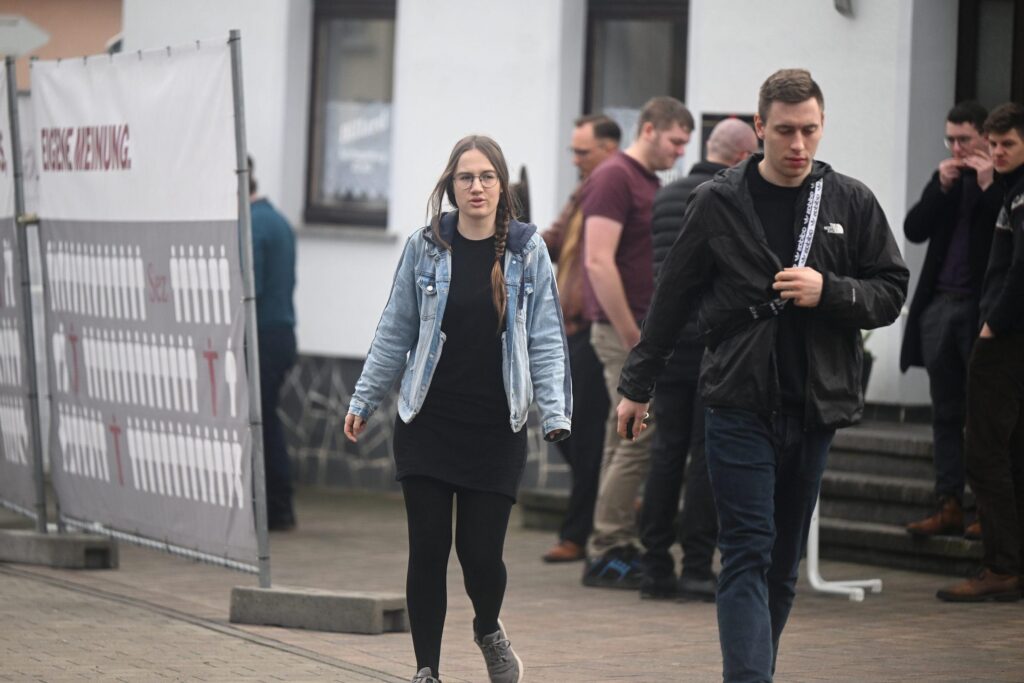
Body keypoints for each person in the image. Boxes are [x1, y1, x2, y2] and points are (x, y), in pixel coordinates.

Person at [616, 69, 908, 681]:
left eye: (809, 130)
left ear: (822, 127)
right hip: (738, 401)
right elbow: (670, 300)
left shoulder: (849, 201)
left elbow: (889, 290)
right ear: (759, 129)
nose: (798, 144)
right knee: (746, 550)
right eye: (784, 131)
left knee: (780, 564)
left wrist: (831, 290)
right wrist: (636, 387)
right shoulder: (718, 201)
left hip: (816, 404)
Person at [344, 135, 571, 683]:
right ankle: (427, 669)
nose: (476, 187)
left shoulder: (526, 250)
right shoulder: (426, 246)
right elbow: (395, 327)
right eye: (466, 177)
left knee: (480, 554)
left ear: (502, 187)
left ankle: (488, 626)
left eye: (487, 177)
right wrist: (364, 397)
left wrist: (556, 411)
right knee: (427, 547)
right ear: (451, 185)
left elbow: (544, 336)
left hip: (495, 427)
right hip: (427, 419)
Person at [638, 117, 759, 602]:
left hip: (669, 344)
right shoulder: (729, 196)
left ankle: (653, 567)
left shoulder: (666, 195)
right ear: (739, 157)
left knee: (666, 452)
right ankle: (694, 566)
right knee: (704, 456)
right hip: (713, 344)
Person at [580, 96, 694, 589]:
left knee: (620, 438)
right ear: (648, 130)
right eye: (674, 141)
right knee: (637, 439)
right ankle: (608, 548)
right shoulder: (614, 177)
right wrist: (634, 339)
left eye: (686, 145)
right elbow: (598, 262)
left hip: (638, 333)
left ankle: (607, 545)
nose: (679, 153)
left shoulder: (648, 182)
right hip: (621, 331)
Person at [901, 101, 1001, 539]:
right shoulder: (947, 178)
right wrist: (940, 190)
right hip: (940, 306)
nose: (957, 148)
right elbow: (913, 229)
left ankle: (986, 510)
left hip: (981, 310)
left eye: (965, 139)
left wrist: (985, 187)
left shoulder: (1001, 183)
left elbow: (993, 244)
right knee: (945, 411)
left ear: (984, 137)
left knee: (984, 415)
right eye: (951, 140)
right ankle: (948, 503)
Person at [937, 102, 1024, 603]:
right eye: (992, 145)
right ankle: (1009, 564)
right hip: (1005, 335)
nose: (997, 153)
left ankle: (1000, 566)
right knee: (1007, 451)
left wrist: (992, 326)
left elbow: (1021, 270)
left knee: (985, 452)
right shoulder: (1009, 190)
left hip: (1005, 341)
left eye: (1007, 144)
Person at [540, 114, 620, 563]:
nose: (574, 159)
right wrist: (517, 236)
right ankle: (613, 498)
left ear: (609, 148)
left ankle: (578, 532)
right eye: (572, 150)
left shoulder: (614, 188)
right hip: (569, 325)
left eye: (582, 151)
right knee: (561, 427)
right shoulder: (585, 188)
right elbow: (554, 239)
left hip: (594, 325)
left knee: (584, 433)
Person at [249, 156, 298, 532]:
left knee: (261, 422)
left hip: (262, 334)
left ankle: (276, 507)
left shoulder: (252, 225)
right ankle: (277, 505)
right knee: (266, 419)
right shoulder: (278, 221)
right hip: (283, 333)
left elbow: (252, 289)